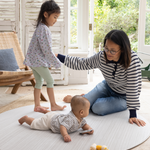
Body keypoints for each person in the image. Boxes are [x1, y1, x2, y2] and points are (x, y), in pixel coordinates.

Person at [55, 29, 146, 127]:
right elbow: (82, 63)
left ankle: (86, 97)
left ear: (123, 49)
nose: (108, 53)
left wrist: (133, 114)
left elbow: (133, 87)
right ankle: (84, 97)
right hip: (107, 87)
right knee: (81, 106)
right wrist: (58, 56)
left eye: (113, 51)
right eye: (106, 48)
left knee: (97, 108)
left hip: (124, 97)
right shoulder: (101, 57)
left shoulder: (132, 60)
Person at [23, 0, 66, 113]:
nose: (56, 20)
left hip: (33, 60)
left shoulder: (41, 27)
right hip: (37, 61)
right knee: (50, 81)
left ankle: (37, 106)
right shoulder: (44, 29)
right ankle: (53, 104)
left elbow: (43, 50)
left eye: (57, 18)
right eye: (55, 17)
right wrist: (56, 62)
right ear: (46, 14)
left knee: (39, 81)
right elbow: (47, 51)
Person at [18, 95, 94, 142]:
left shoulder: (80, 118)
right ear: (81, 112)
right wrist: (65, 135)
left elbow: (84, 125)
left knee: (53, 114)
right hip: (50, 121)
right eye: (88, 109)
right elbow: (62, 126)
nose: (88, 110)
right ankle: (26, 119)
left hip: (57, 116)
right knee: (36, 123)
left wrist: (89, 129)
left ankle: (46, 111)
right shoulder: (70, 119)